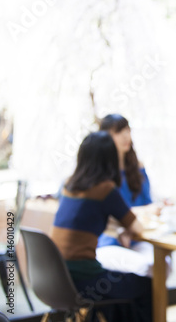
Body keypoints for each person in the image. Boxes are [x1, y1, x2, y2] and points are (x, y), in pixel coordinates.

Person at [50, 131, 152, 322]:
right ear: (110, 159)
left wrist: (119, 229)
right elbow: (137, 228)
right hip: (83, 281)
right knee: (146, 285)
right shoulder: (105, 189)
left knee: (121, 279)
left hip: (56, 279)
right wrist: (125, 227)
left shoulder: (69, 185)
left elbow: (86, 221)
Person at [96, 114, 162, 278]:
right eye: (119, 132)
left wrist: (128, 225)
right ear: (105, 137)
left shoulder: (138, 169)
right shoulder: (99, 174)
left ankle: (148, 304)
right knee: (145, 267)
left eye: (127, 130)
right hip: (109, 240)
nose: (126, 136)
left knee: (162, 264)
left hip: (137, 237)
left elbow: (150, 207)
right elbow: (107, 215)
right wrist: (125, 223)